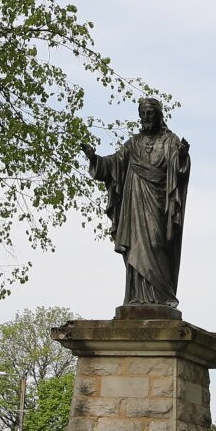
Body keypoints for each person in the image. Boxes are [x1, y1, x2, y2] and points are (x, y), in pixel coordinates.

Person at [81, 98, 190, 309]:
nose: (146, 117)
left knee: (157, 242)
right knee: (136, 246)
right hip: (135, 202)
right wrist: (95, 159)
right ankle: (137, 298)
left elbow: (178, 167)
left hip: (158, 201)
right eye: (143, 114)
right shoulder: (133, 143)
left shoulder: (170, 140)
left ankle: (163, 296)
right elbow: (114, 162)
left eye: (150, 113)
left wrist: (183, 156)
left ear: (158, 115)